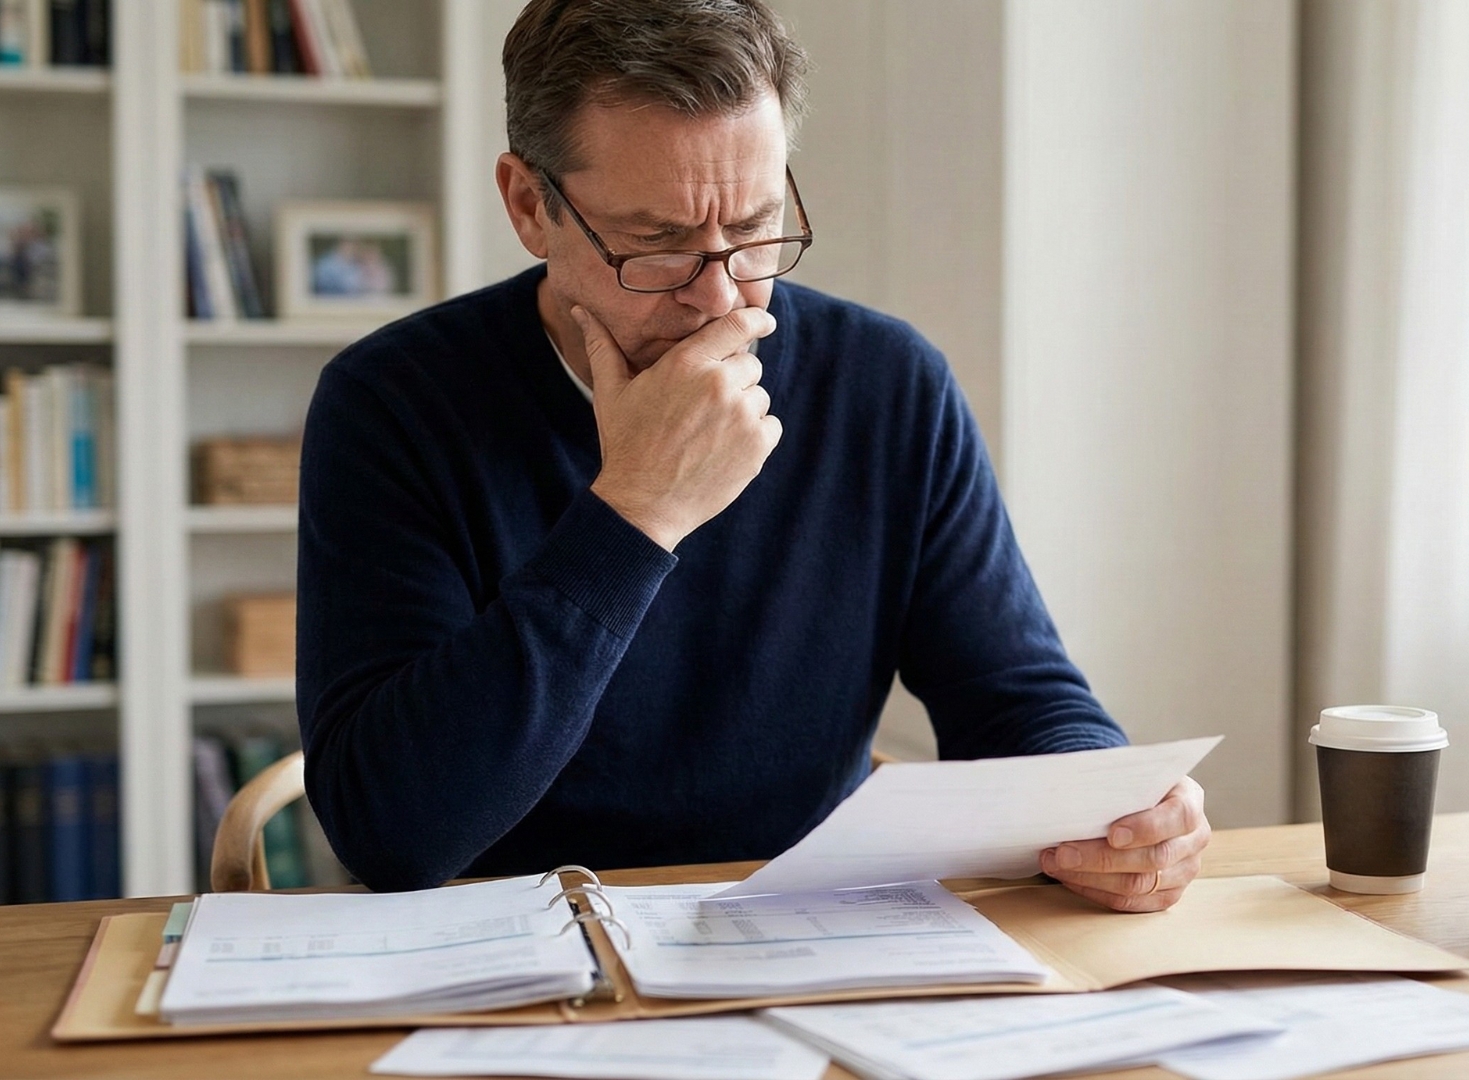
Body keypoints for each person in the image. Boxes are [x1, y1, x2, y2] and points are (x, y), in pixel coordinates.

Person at [296, 0, 1211, 912]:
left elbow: (1015, 695)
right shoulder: (391, 404)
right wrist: (637, 514)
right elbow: (392, 833)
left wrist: (1118, 811)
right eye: (656, 244)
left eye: (754, 228)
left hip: (805, 935)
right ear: (530, 206)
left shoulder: (886, 384)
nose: (720, 296)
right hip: (500, 949)